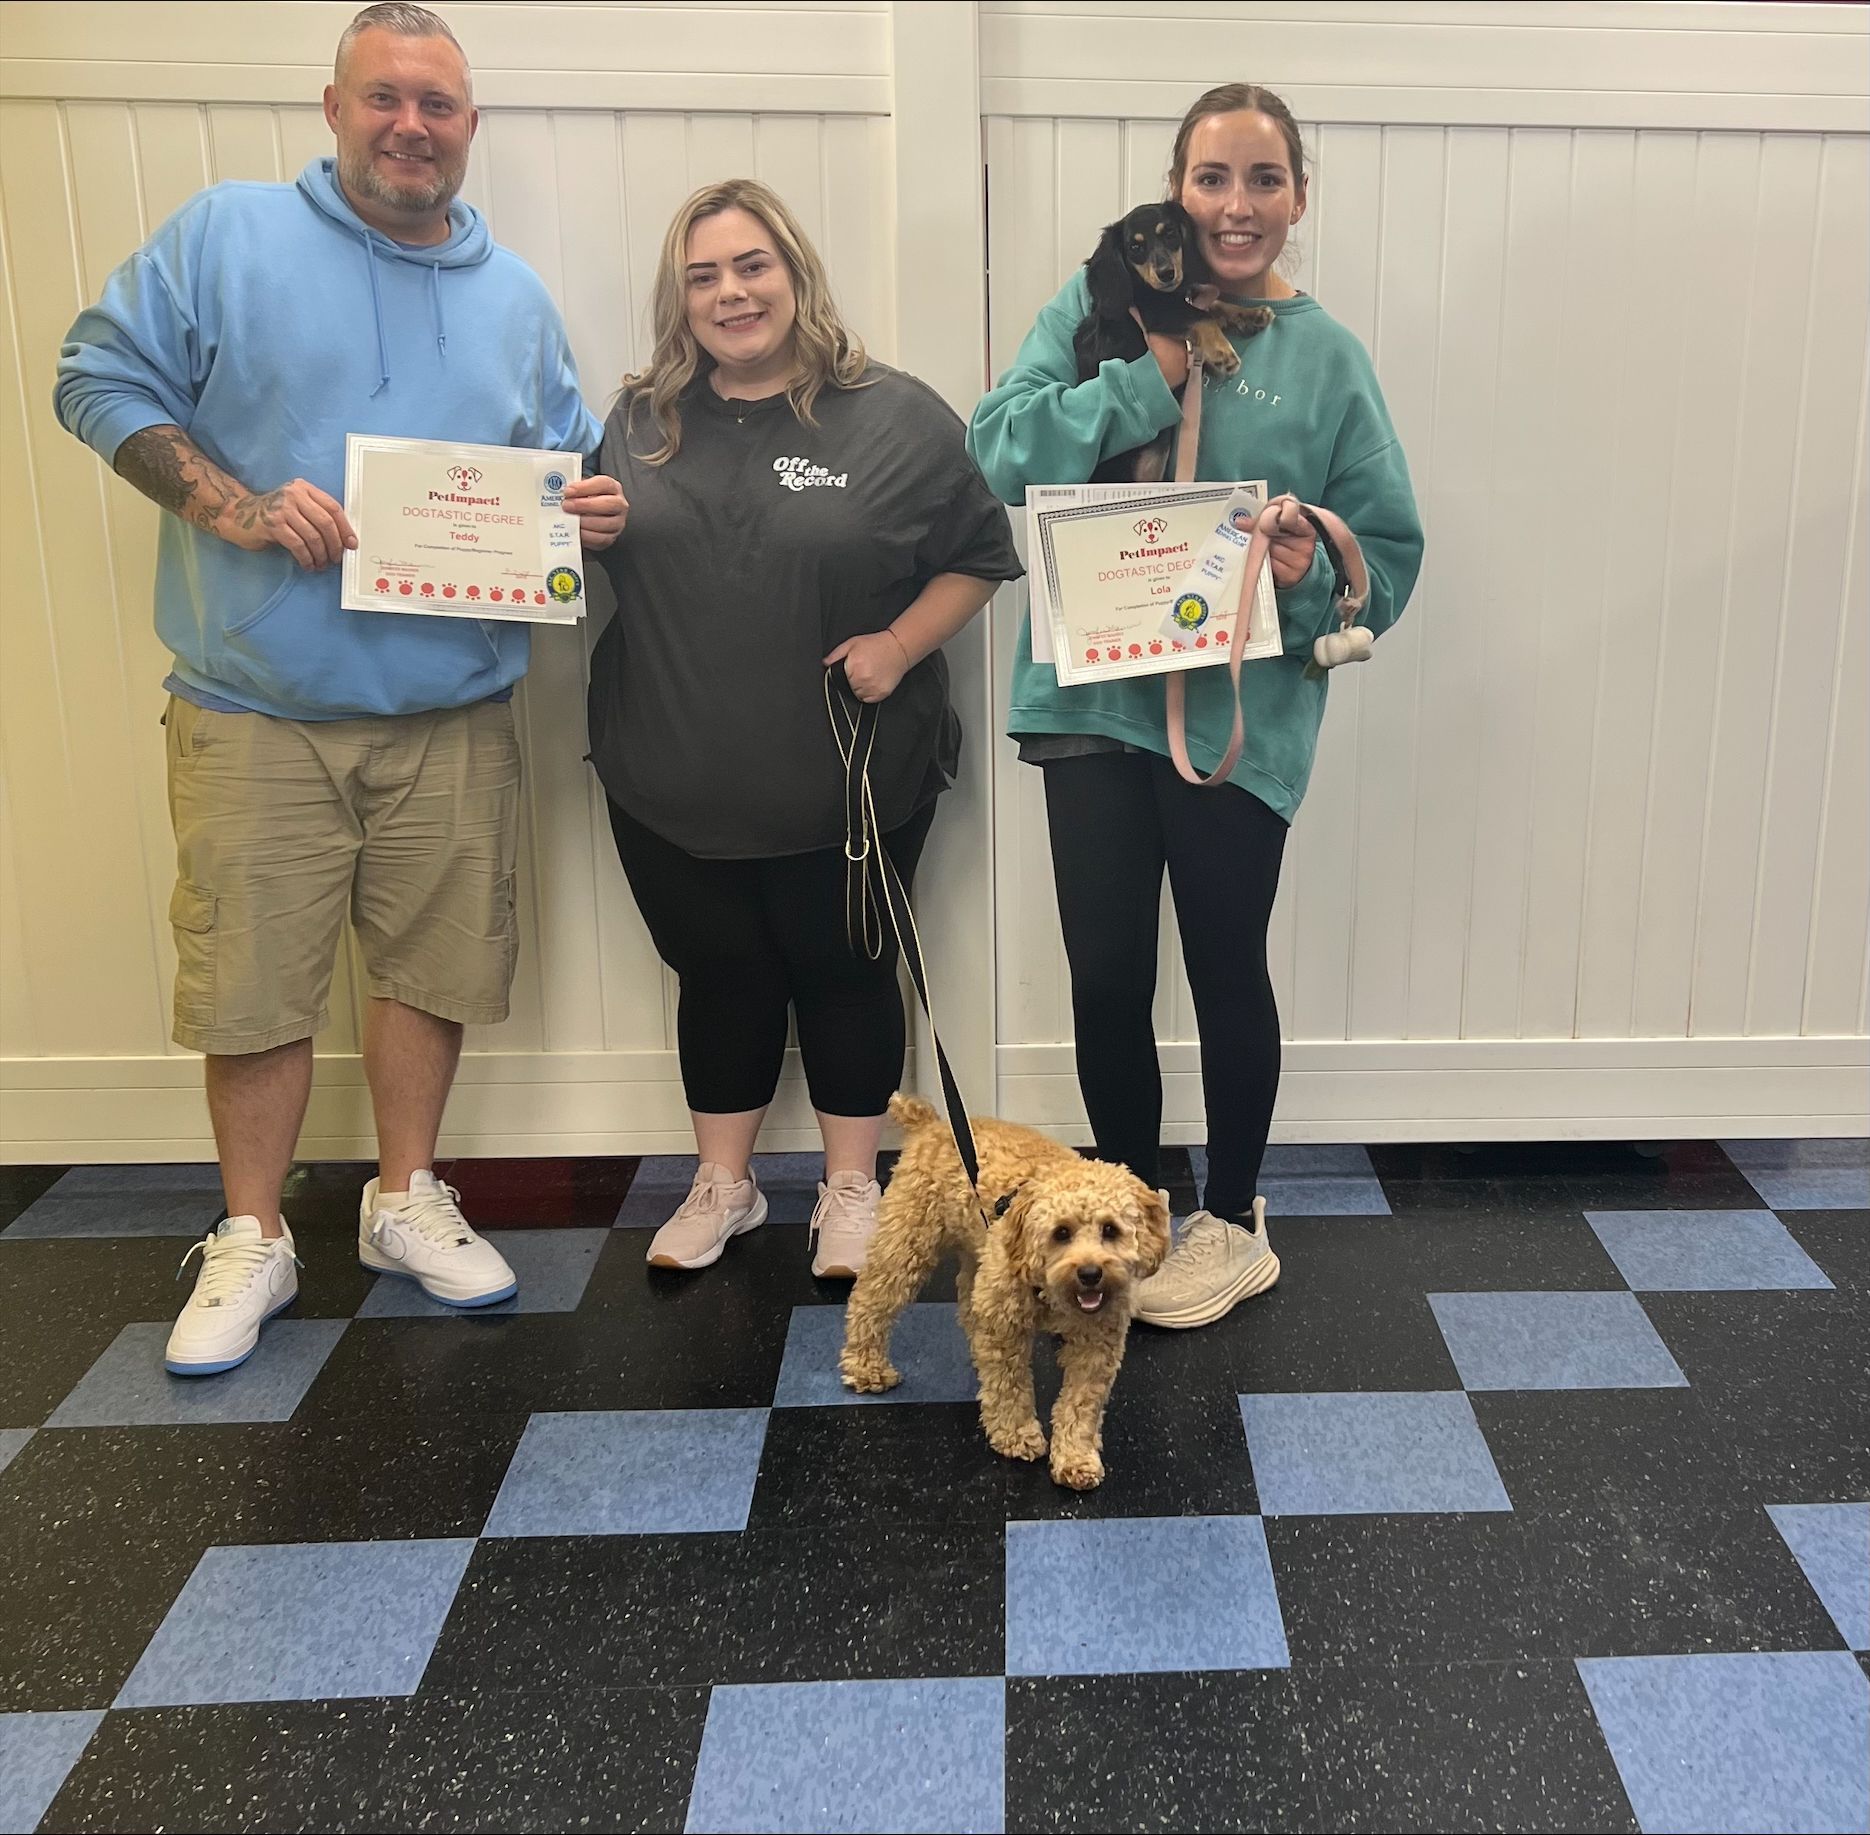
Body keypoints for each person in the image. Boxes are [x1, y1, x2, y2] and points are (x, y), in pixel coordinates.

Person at [52, 2, 625, 1375]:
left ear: (468, 126)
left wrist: (585, 511)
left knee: (432, 967)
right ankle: (253, 1231)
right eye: (385, 98)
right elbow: (94, 375)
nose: (410, 126)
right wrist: (235, 506)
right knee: (252, 982)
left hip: (453, 712)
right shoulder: (226, 236)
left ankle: (403, 1196)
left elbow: (560, 464)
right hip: (256, 703)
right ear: (333, 106)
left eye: (436, 104)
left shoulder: (518, 295)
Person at [967, 83, 1424, 1329]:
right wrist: (1148, 374)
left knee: (1226, 961)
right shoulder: (1097, 306)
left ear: (1296, 198)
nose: (1235, 205)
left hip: (1239, 720)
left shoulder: (1326, 356)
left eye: (1263, 179)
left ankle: (1232, 1212)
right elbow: (995, 454)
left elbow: (1388, 546)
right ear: (1177, 190)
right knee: (1106, 972)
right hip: (1088, 703)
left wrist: (1312, 551)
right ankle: (1128, 1210)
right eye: (1211, 178)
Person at [587, 178, 1021, 1282]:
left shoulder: (893, 413)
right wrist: (573, 531)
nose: (730, 292)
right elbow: (590, 556)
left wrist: (900, 645)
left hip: (849, 777)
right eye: (703, 276)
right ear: (678, 300)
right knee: (717, 972)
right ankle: (724, 1188)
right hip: (668, 773)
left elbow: (979, 554)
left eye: (751, 266)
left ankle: (848, 1191)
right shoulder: (638, 424)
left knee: (845, 973)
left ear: (794, 274)